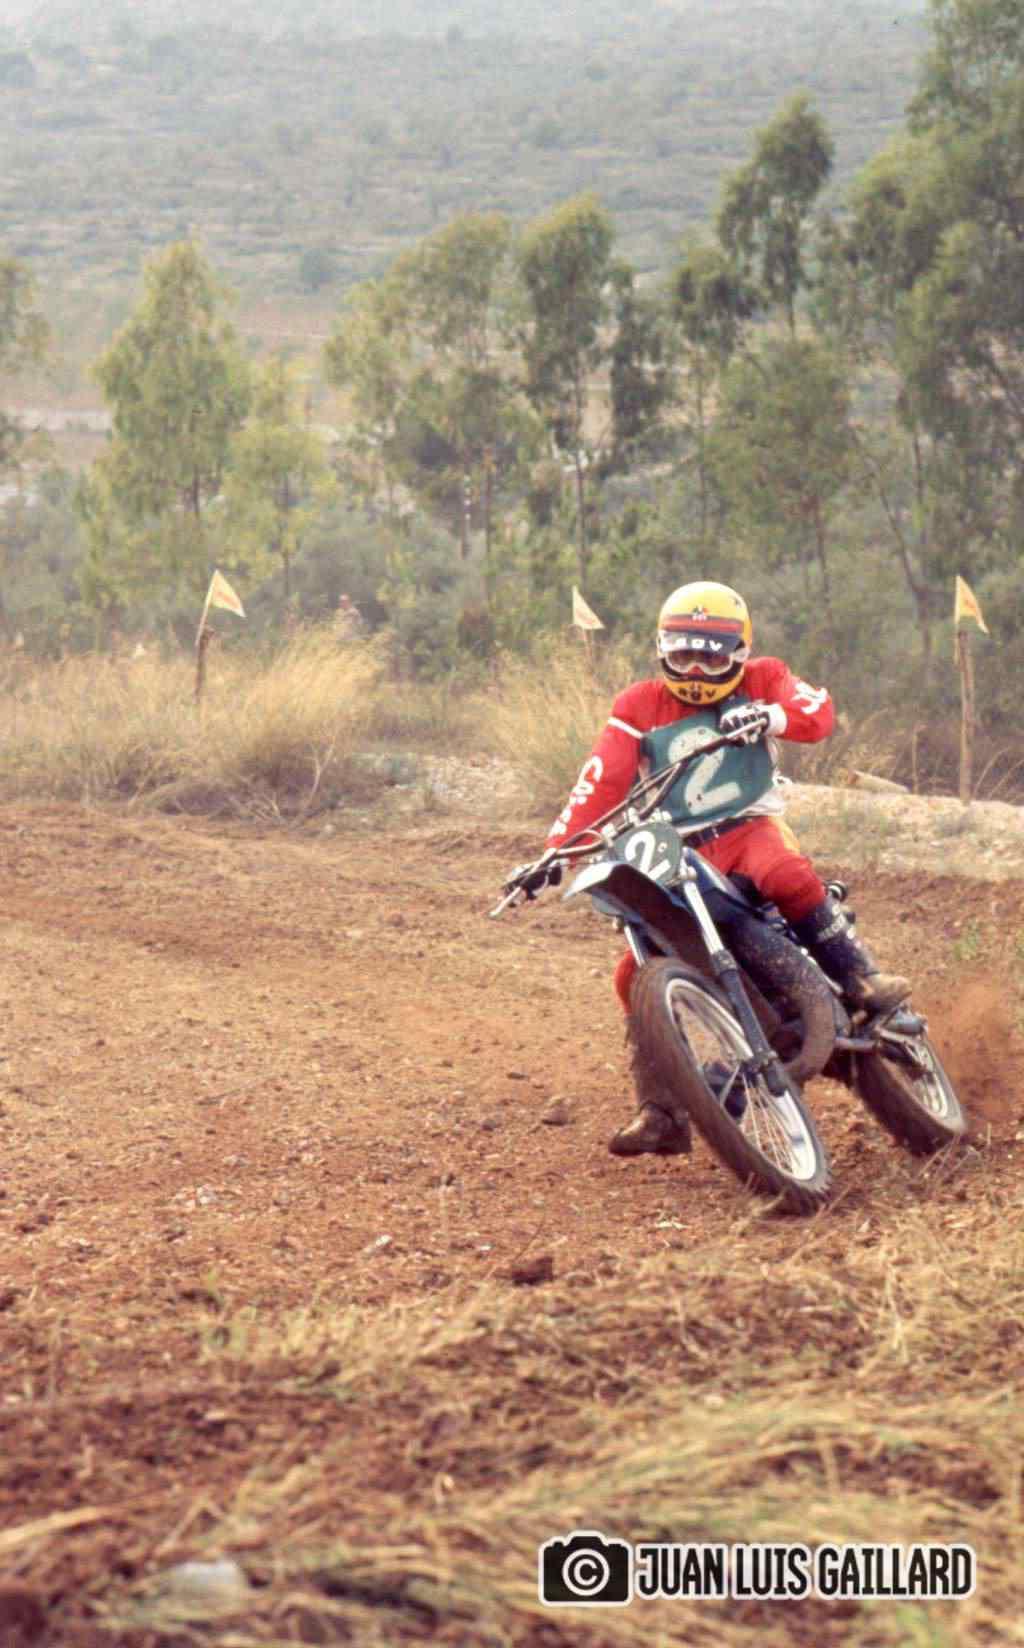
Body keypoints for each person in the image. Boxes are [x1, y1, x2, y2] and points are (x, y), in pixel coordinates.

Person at [518, 580, 909, 1159]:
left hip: (749, 828)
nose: (697, 669)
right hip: (680, 849)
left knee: (785, 873)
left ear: (740, 651)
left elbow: (818, 713)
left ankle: (859, 976)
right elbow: (600, 779)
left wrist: (771, 716)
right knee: (633, 973)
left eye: (711, 654)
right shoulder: (637, 705)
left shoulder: (765, 676)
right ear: (661, 649)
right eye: (683, 654)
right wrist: (555, 851)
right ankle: (662, 1112)